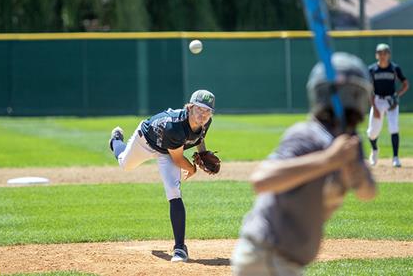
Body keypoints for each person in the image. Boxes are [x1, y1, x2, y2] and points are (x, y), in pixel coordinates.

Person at [231, 52, 377, 276]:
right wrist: (328, 160)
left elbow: (368, 192)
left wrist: (355, 172)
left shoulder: (349, 142)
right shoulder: (307, 135)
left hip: (284, 261)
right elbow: (261, 180)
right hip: (266, 255)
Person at [109, 89, 215, 263]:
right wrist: (193, 169)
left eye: (207, 111)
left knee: (174, 192)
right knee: (124, 164)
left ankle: (180, 249)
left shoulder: (205, 121)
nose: (203, 114)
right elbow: (179, 159)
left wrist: (202, 153)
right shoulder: (174, 127)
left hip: (168, 150)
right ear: (189, 108)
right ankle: (115, 141)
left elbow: (199, 137)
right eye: (199, 109)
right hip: (146, 141)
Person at [366, 43, 409, 168]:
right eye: (380, 53)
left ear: (389, 55)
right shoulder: (372, 69)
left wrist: (397, 96)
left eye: (385, 53)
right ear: (376, 55)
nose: (382, 55)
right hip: (377, 101)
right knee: (372, 133)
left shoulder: (395, 68)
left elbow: (405, 84)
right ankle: (374, 150)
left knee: (394, 127)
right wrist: (374, 107)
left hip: (391, 101)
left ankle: (395, 157)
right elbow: (369, 89)